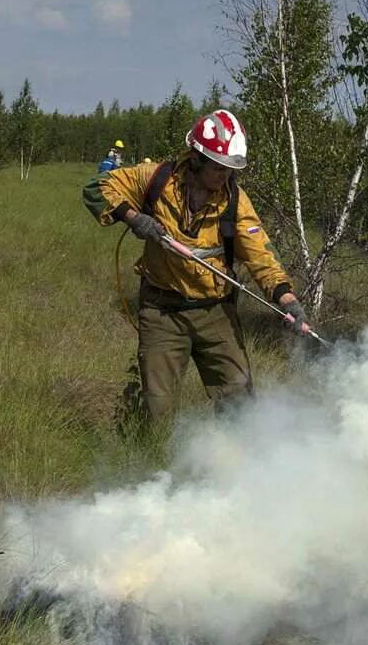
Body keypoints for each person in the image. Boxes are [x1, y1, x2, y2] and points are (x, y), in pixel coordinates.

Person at [83, 109, 309, 418]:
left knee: (239, 405)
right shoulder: (156, 179)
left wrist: (287, 300)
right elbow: (97, 187)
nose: (224, 176)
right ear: (197, 158)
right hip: (161, 311)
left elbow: (261, 257)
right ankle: (157, 458)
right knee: (157, 409)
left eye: (230, 169)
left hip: (215, 311)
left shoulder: (234, 201)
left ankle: (236, 462)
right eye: (218, 167)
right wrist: (136, 219)